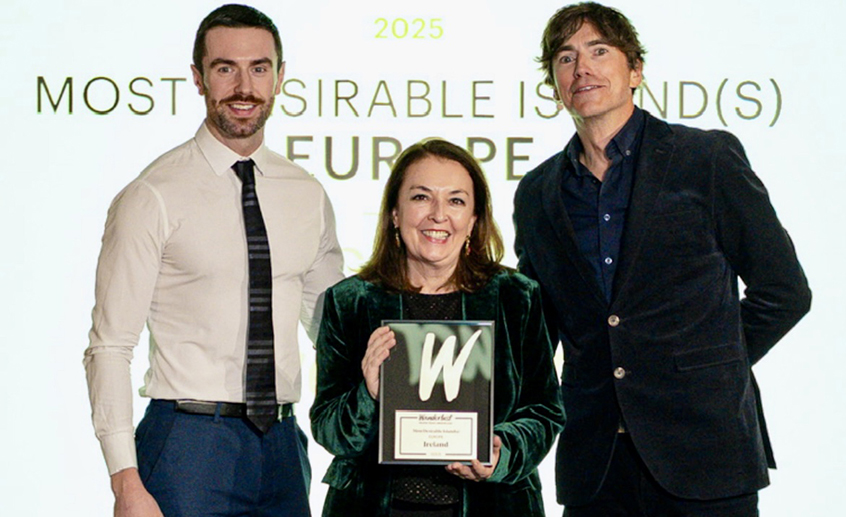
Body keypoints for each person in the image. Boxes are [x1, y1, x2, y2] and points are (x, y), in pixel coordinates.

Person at [513, 3, 811, 516]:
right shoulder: (539, 191)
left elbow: (784, 291)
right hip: (596, 464)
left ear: (635, 70)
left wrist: (710, 366)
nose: (582, 68)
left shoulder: (706, 158)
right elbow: (535, 329)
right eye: (565, 58)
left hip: (705, 454)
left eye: (599, 51)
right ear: (554, 83)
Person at [83, 4, 344, 516]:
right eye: (225, 68)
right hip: (187, 444)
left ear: (280, 77)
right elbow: (109, 346)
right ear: (199, 79)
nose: (243, 87)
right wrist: (125, 483)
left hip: (285, 447)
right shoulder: (152, 194)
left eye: (259, 68)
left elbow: (334, 329)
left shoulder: (306, 194)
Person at [310, 139, 565, 517]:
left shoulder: (517, 298)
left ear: (475, 219)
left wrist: (502, 449)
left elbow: (545, 411)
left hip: (493, 506)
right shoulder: (351, 301)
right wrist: (369, 393)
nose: (438, 215)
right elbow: (329, 430)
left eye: (456, 201)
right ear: (395, 213)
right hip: (374, 507)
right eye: (421, 198)